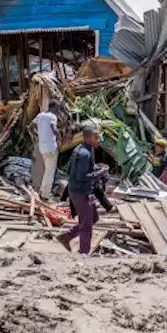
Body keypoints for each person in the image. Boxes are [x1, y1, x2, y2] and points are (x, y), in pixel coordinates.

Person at [58, 124, 105, 254]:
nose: (99, 139)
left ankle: (67, 236)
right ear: (89, 138)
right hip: (80, 192)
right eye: (96, 137)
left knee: (93, 218)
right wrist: (100, 173)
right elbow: (82, 176)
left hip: (80, 190)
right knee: (86, 225)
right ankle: (84, 253)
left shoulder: (83, 149)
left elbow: (79, 170)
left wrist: (95, 168)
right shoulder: (84, 153)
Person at [31, 106, 60, 200]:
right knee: (49, 172)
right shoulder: (52, 117)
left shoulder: (40, 116)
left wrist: (38, 135)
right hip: (51, 148)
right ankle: (45, 195)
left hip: (42, 147)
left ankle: (42, 191)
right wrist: (60, 138)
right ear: (55, 108)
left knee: (46, 170)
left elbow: (31, 126)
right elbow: (54, 128)